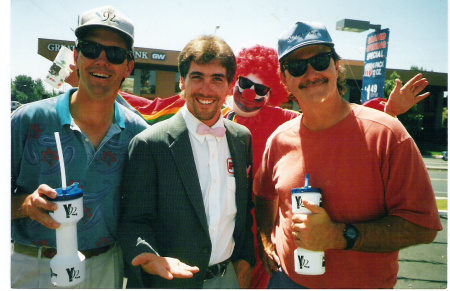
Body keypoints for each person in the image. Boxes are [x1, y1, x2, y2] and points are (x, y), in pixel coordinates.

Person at [253, 21, 442, 289]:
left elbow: (423, 226)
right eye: (296, 66)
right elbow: (263, 194)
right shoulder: (279, 139)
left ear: (336, 66)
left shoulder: (387, 134)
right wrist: (265, 238)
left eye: (320, 60)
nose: (310, 73)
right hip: (286, 280)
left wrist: (340, 236)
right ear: (284, 79)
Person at [11, 6, 149, 288]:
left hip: (104, 268)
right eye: (90, 48)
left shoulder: (140, 135)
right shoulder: (27, 120)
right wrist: (25, 204)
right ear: (76, 57)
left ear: (128, 66)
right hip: (34, 268)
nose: (102, 61)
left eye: (115, 54)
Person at [118, 35, 255, 288]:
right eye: (197, 77)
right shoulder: (150, 144)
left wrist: (245, 262)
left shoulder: (241, 139)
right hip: (169, 282)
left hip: (228, 280)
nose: (206, 89)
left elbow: (244, 212)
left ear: (229, 86)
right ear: (182, 82)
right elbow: (134, 220)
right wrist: (149, 258)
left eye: (217, 79)